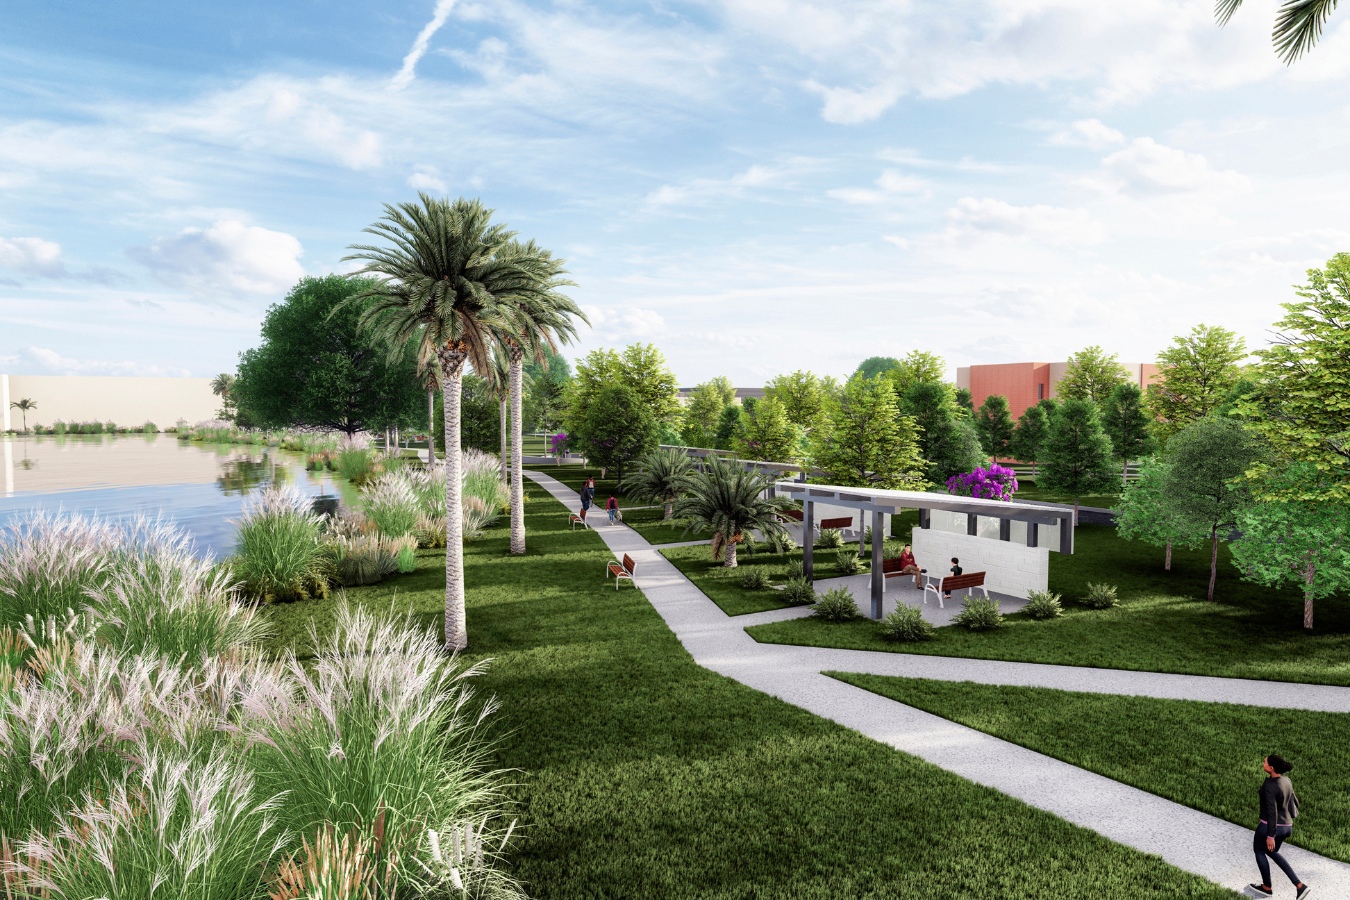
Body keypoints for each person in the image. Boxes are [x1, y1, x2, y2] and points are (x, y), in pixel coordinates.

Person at [1250, 754, 1310, 898]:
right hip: (1287, 827)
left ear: (1271, 768)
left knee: (1259, 850)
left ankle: (1267, 887)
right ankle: (1300, 886)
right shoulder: (1286, 780)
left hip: (1270, 827)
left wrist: (1271, 835)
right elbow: (1294, 802)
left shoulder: (1270, 786)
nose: (1262, 762)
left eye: (1265, 762)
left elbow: (1272, 812)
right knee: (1272, 852)